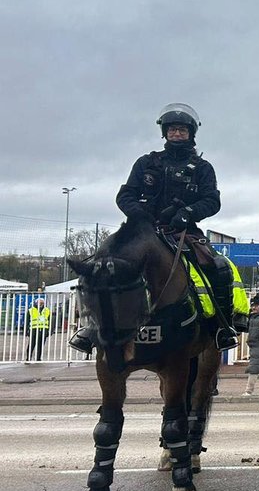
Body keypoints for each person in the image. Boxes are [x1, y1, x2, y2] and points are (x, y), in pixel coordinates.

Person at [70, 103, 240, 352]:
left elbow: (212, 200)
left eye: (182, 130)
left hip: (182, 231)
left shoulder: (203, 168)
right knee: (100, 265)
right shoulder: (145, 163)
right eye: (172, 130)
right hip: (140, 230)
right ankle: (92, 328)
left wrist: (187, 213)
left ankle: (222, 328)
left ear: (191, 133)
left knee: (219, 267)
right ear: (165, 133)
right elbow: (125, 195)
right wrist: (141, 215)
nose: (176, 134)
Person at [26, 298, 50, 362]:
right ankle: (28, 358)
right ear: (36, 303)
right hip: (33, 330)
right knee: (31, 345)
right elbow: (27, 321)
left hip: (43, 330)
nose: (40, 304)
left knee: (40, 346)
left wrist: (49, 331)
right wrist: (26, 331)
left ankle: (38, 358)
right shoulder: (31, 310)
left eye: (42, 303)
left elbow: (50, 321)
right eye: (39, 302)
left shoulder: (47, 310)